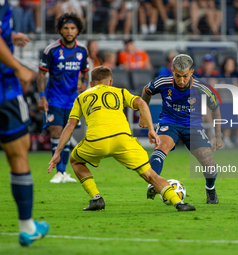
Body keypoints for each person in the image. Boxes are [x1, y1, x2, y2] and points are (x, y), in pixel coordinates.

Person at [48, 66, 195, 212]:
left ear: (91, 84)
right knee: (150, 175)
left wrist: (57, 152)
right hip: (123, 140)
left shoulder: (81, 97)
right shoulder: (120, 92)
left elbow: (70, 125)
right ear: (110, 82)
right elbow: (142, 103)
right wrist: (151, 129)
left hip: (96, 142)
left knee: (75, 160)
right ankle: (179, 203)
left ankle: (96, 198)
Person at [139, 54, 223, 204]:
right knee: (161, 147)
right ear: (172, 70)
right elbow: (146, 91)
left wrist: (218, 135)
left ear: (192, 72)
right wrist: (142, 115)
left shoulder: (202, 87)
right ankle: (153, 183)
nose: (181, 80)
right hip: (169, 122)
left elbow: (215, 108)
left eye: (185, 76)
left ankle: (210, 189)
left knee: (209, 164)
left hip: (193, 126)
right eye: (178, 76)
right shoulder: (162, 82)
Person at [0, 0, 49, 246]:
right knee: (19, 153)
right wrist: (17, 66)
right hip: (4, 91)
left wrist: (9, 36)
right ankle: (27, 226)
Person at [37, 13, 89, 183]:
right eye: (65, 28)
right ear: (60, 29)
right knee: (56, 132)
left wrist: (84, 85)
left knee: (67, 134)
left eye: (72, 28)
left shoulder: (82, 50)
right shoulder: (51, 50)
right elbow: (41, 75)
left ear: (78, 30)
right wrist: (42, 97)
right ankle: (59, 171)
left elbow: (86, 74)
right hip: (54, 99)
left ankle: (64, 172)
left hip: (73, 100)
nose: (69, 31)